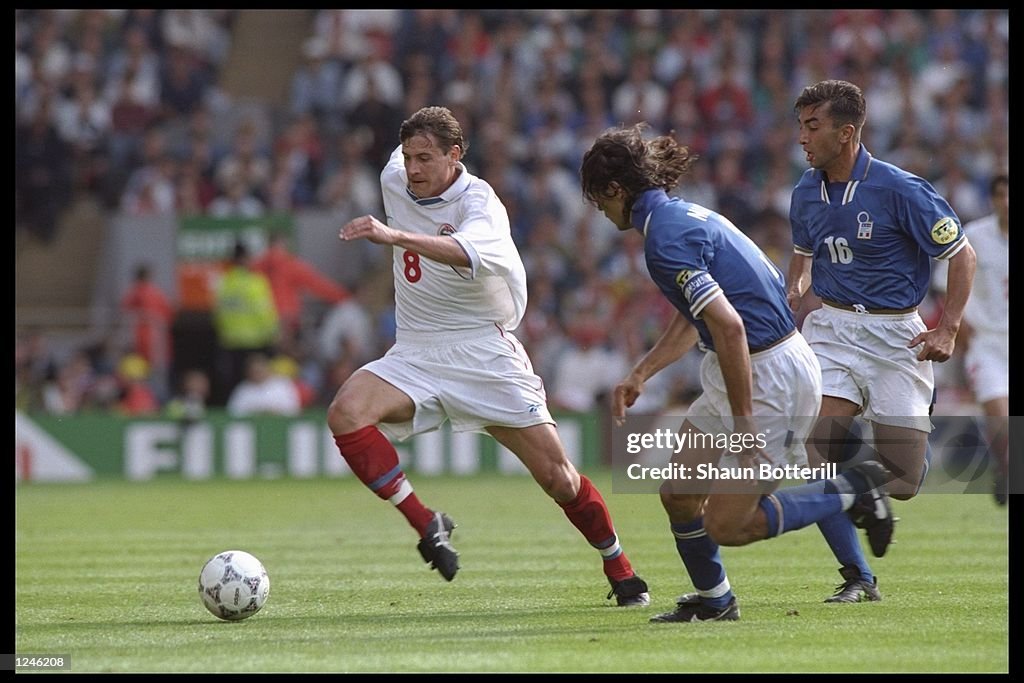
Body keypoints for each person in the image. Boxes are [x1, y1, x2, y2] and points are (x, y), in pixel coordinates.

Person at [328, 106, 650, 606]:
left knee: (558, 478)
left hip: (483, 351)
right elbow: (403, 145)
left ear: (455, 156)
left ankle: (621, 567)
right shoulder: (397, 175)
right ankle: (426, 522)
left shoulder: (480, 203)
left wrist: (393, 235)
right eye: (409, 157)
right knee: (347, 413)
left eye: (426, 158)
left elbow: (462, 252)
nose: (413, 169)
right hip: (416, 350)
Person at [579, 123, 893, 623]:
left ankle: (855, 489)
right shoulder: (681, 217)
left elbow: (727, 327)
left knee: (730, 524)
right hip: (740, 369)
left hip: (768, 376)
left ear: (615, 190)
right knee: (679, 494)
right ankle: (717, 601)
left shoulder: (664, 237)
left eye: (600, 201)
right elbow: (700, 315)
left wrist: (745, 421)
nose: (601, 211)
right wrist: (641, 372)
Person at [786, 80, 977, 595]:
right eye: (800, 126)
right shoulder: (805, 189)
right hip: (830, 329)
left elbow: (961, 255)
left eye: (812, 126)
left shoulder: (901, 189)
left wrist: (949, 327)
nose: (802, 138)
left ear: (846, 133)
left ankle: (872, 479)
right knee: (815, 451)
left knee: (906, 483)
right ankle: (857, 576)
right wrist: (793, 289)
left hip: (897, 338)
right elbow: (804, 255)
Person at [934, 174, 1008, 504]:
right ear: (992, 199)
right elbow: (943, 282)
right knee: (999, 412)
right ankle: (1007, 469)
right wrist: (959, 325)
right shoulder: (975, 236)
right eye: (1001, 195)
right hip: (987, 341)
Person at [252, 232, 351, 350]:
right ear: (283, 244)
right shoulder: (290, 265)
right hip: (288, 319)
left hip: (263, 321)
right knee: (288, 357)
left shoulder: (257, 266)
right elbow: (318, 285)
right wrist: (345, 297)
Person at [211, 241, 280, 406]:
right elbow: (264, 312)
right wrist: (273, 333)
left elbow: (218, 315)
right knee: (260, 384)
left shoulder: (224, 283)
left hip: (230, 342)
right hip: (257, 341)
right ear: (247, 258)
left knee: (236, 386)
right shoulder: (255, 282)